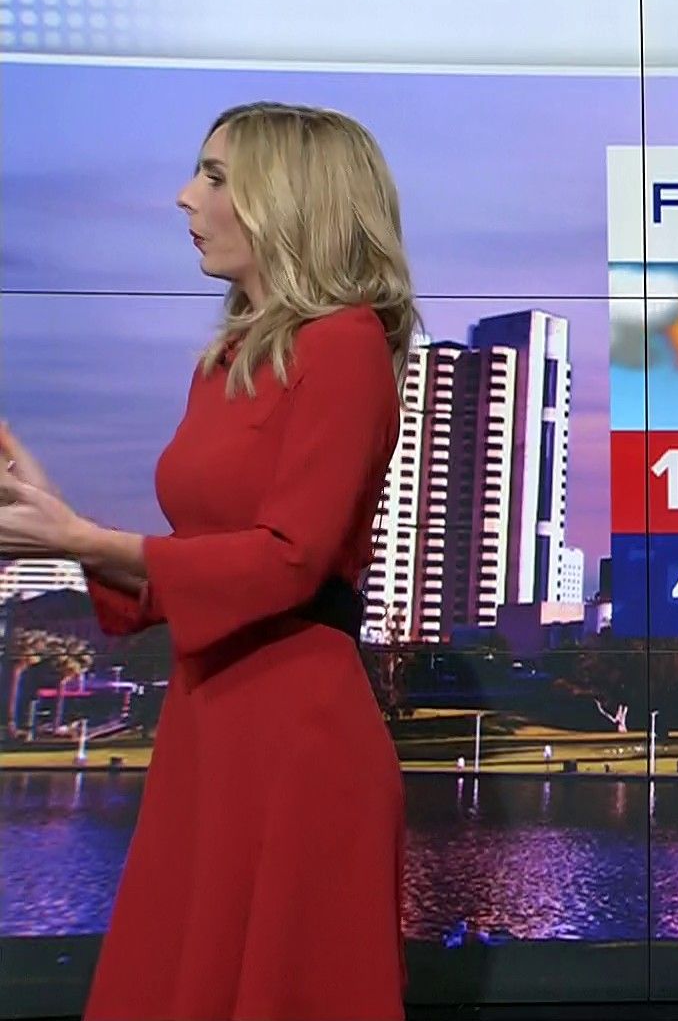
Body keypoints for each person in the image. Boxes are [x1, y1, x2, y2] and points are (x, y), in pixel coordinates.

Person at [0, 102, 419, 1021]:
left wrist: (79, 540)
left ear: (288, 199)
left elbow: (290, 562)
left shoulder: (346, 346)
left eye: (216, 177)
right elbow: (194, 568)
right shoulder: (225, 361)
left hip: (295, 742)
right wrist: (60, 522)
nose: (185, 196)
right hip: (207, 729)